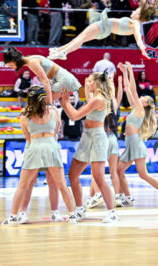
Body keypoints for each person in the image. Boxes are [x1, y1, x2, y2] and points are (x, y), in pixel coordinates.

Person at [1, 88, 78, 226]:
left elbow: (27, 136)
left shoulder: (25, 115)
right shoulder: (54, 111)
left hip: (35, 146)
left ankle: (13, 217)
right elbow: (56, 130)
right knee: (61, 184)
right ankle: (72, 215)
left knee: (23, 185)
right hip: (51, 146)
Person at [60, 73, 118, 223]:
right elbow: (75, 115)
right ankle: (80, 209)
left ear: (98, 83)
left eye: (90, 81)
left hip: (97, 137)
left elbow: (75, 116)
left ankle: (112, 213)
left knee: (99, 177)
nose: (87, 84)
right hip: (87, 136)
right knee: (73, 174)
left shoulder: (98, 99)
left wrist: (64, 101)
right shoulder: (94, 97)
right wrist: (64, 101)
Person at [48, 0, 158, 60]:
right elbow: (138, 36)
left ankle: (63, 52)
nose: (133, 11)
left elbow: (138, 38)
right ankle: (59, 50)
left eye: (135, 11)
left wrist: (143, 49)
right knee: (80, 39)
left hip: (103, 25)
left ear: (139, 15)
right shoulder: (135, 25)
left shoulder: (135, 24)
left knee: (80, 38)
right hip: (104, 33)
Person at [117, 62, 158, 205]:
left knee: (143, 174)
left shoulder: (140, 109)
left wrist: (130, 70)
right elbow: (128, 89)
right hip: (130, 143)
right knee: (119, 170)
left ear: (146, 104)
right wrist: (124, 73)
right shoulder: (135, 108)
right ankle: (127, 197)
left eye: (144, 98)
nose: (142, 97)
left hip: (135, 143)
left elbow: (133, 90)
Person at [87, 74, 132, 209]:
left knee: (96, 172)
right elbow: (117, 96)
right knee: (114, 172)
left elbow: (89, 97)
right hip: (112, 138)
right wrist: (118, 81)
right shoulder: (113, 103)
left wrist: (87, 85)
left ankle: (97, 195)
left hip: (101, 137)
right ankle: (117, 196)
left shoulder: (97, 102)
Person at [3, 47, 81, 106]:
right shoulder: (31, 60)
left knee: (42, 104)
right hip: (63, 79)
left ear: (16, 60)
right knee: (45, 105)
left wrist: (49, 103)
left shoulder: (32, 62)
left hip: (64, 79)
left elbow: (46, 82)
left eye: (11, 65)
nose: (12, 68)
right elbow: (48, 80)